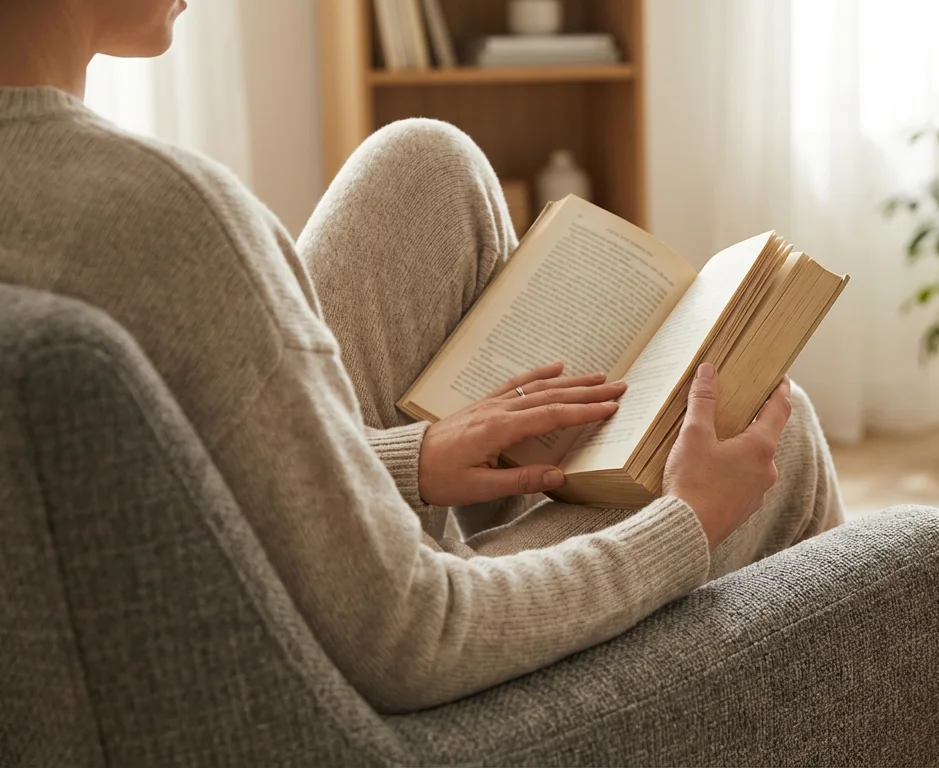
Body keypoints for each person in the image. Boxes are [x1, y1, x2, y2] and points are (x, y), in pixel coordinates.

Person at [0, 0, 844, 713]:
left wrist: (412, 459)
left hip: (236, 604)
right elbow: (413, 638)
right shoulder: (163, 218)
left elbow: (187, 470)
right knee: (771, 432)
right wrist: (686, 523)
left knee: (426, 165)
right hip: (349, 695)